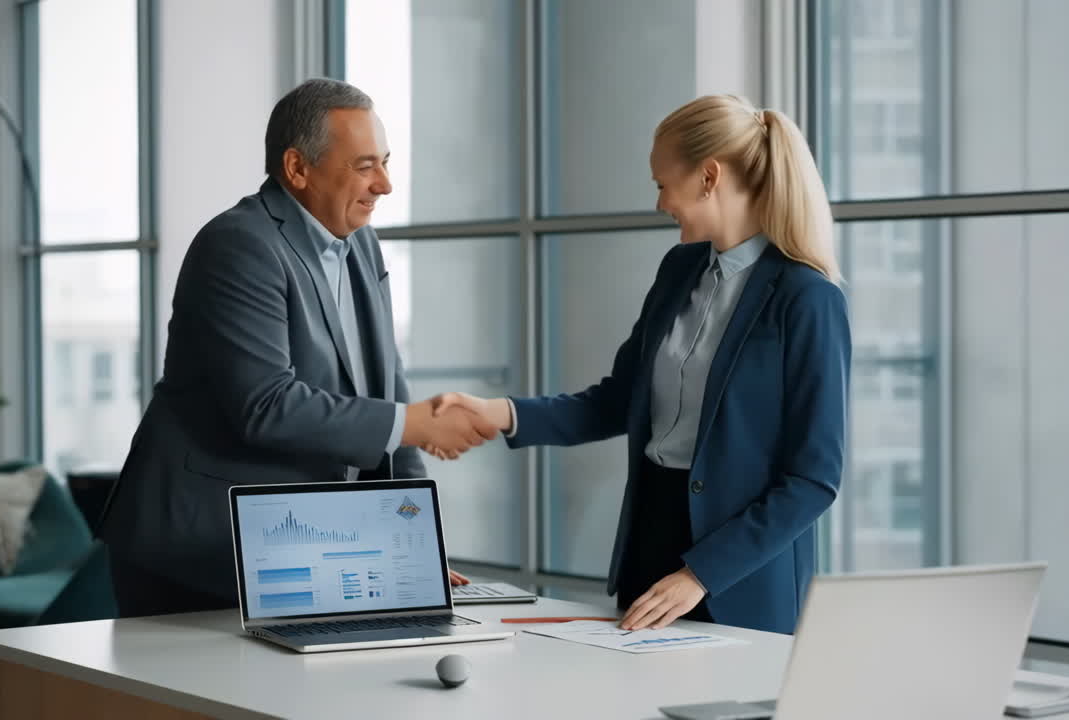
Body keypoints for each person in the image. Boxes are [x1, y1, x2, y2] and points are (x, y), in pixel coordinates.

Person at [432, 94, 851, 635]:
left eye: (662, 184)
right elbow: (617, 401)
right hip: (650, 548)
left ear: (708, 177)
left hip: (740, 577)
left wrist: (699, 575)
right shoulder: (679, 270)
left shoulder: (807, 298)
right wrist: (498, 413)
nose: (659, 204)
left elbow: (812, 480)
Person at [98, 78, 494, 617]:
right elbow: (265, 405)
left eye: (385, 162)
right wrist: (412, 422)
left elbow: (387, 386)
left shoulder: (361, 241)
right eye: (364, 166)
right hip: (198, 550)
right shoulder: (239, 245)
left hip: (304, 551)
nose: (385, 185)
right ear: (297, 169)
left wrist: (415, 543)